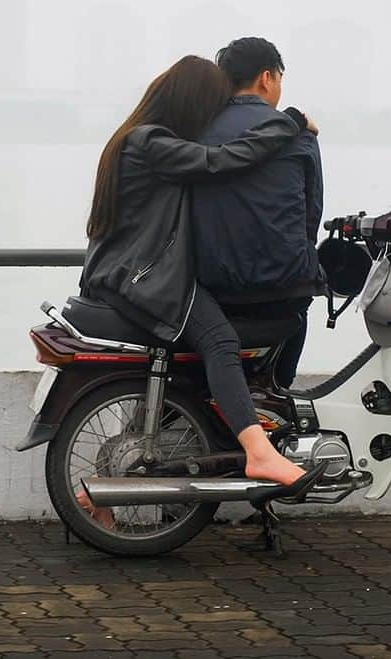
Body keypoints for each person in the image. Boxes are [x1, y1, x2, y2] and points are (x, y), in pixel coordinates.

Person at [74, 56, 315, 526]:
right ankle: (258, 451)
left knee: (185, 369)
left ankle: (104, 492)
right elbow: (221, 159)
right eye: (211, 105)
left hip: (126, 274)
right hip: (139, 279)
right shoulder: (151, 143)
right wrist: (288, 124)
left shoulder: (135, 138)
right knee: (219, 340)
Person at [192, 37, 325, 388]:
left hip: (212, 289)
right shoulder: (298, 134)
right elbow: (310, 217)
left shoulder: (197, 132)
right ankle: (277, 389)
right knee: (303, 297)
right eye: (280, 78)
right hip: (282, 292)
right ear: (267, 78)